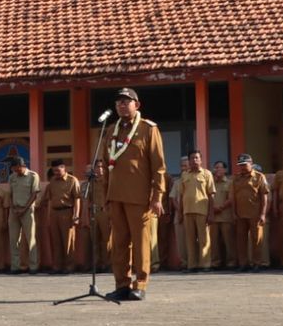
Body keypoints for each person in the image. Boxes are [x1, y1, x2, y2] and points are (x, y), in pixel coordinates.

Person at [100, 88, 166, 302]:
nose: (122, 105)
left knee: (140, 243)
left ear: (136, 105)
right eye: (119, 102)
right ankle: (121, 285)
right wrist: (105, 196)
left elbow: (158, 166)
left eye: (126, 101)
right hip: (115, 196)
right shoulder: (111, 130)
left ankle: (140, 284)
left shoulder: (148, 129)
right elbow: (105, 166)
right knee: (119, 244)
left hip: (139, 197)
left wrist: (157, 196)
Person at [38, 159, 81, 274]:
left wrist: (76, 215)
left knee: (68, 241)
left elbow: (77, 199)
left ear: (64, 168)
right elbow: (47, 199)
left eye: (58, 170)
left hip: (67, 212)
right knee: (56, 241)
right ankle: (57, 266)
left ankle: (69, 267)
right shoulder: (52, 181)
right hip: (54, 213)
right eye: (54, 171)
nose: (56, 173)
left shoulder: (72, 180)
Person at [177, 149, 215, 272]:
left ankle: (205, 265)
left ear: (201, 160)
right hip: (187, 211)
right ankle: (192, 265)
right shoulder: (184, 175)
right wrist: (180, 213)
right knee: (190, 240)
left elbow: (211, 195)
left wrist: (211, 213)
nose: (194, 160)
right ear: (189, 161)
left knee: (204, 239)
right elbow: (181, 195)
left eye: (196, 158)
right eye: (192, 158)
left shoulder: (207, 174)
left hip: (202, 211)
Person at [230, 153, 269, 272]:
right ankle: (243, 264)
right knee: (241, 240)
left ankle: (257, 263)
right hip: (240, 214)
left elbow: (264, 197)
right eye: (240, 165)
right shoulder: (236, 178)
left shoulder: (259, 177)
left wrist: (263, 214)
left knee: (256, 240)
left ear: (251, 163)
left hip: (255, 214)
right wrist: (234, 213)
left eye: (244, 164)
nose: (242, 167)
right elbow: (233, 197)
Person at [7, 154, 40, 274]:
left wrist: (24, 209)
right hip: (14, 211)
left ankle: (33, 266)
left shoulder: (33, 176)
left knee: (30, 239)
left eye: (16, 168)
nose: (15, 171)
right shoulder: (12, 177)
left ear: (21, 166)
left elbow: (34, 194)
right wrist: (13, 208)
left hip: (27, 211)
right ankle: (15, 266)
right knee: (13, 240)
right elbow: (10, 194)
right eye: (13, 169)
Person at [87, 160, 111, 272]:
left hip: (105, 212)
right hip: (94, 212)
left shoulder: (108, 182)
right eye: (97, 167)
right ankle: (96, 265)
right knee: (94, 240)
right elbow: (88, 199)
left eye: (102, 167)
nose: (100, 169)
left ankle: (108, 264)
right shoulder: (91, 183)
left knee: (107, 240)